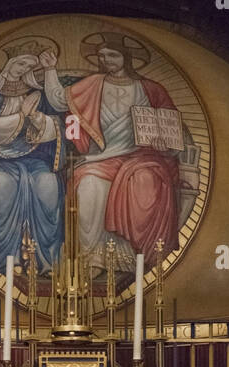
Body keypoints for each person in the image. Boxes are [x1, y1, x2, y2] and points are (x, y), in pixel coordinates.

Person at [49, 34, 181, 269]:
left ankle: (131, 256)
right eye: (101, 56)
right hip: (100, 157)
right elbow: (59, 101)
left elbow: (172, 130)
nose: (106, 60)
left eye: (112, 55)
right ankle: (91, 259)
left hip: (142, 157)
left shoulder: (151, 89)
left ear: (126, 57)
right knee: (88, 186)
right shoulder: (93, 83)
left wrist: (164, 144)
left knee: (145, 182)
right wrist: (50, 70)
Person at [0, 51, 66, 271]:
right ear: (9, 64)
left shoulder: (36, 96)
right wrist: (20, 116)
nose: (24, 69)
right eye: (21, 63)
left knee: (48, 182)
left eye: (29, 66)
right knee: (1, 182)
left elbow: (57, 123)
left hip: (33, 157)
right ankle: (7, 259)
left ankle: (46, 260)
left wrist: (38, 119)